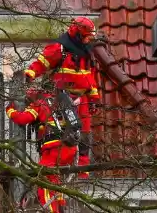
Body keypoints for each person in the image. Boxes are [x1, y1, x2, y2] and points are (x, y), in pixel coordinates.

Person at [22, 17, 102, 178]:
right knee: (61, 131)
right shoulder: (60, 48)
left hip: (82, 98)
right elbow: (42, 62)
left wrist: (94, 98)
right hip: (62, 97)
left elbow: (91, 78)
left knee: (85, 131)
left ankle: (83, 169)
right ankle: (55, 161)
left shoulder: (87, 52)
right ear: (78, 34)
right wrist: (31, 73)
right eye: (86, 36)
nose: (88, 39)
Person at [5, 91, 78, 213]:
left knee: (43, 184)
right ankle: (60, 208)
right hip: (69, 147)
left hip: (54, 148)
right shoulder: (59, 102)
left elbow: (22, 118)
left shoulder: (40, 104)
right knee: (54, 182)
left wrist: (10, 109)